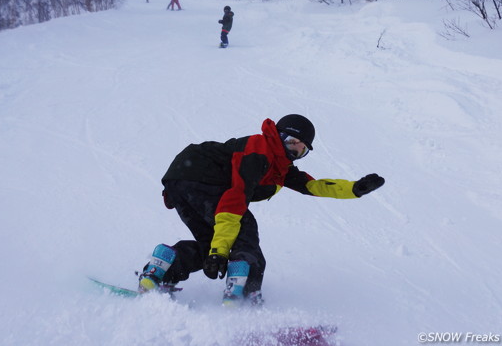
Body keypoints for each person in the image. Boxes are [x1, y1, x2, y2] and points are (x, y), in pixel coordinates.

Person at [138, 114, 385, 306]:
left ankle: (162, 266)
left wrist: (355, 189)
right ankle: (244, 291)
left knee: (209, 245)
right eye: (290, 141)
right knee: (243, 226)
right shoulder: (259, 151)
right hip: (199, 177)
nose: (294, 150)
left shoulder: (280, 166)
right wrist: (220, 251)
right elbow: (234, 201)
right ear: (277, 135)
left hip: (180, 183)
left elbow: (312, 185)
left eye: (301, 149)